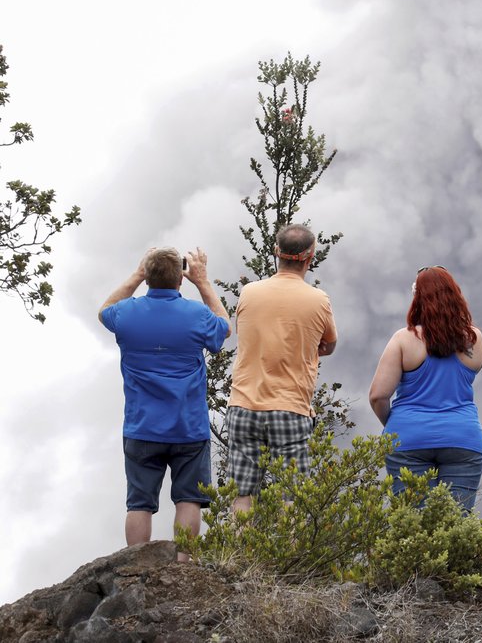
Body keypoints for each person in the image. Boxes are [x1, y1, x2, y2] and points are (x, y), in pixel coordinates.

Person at [99, 247, 231, 560]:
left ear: (147, 277)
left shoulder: (127, 314)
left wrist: (136, 274)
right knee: (189, 499)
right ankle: (183, 568)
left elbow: (105, 309)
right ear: (179, 281)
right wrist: (203, 283)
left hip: (142, 426)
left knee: (139, 503)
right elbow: (223, 328)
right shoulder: (196, 316)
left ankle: (136, 569)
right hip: (189, 427)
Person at [228, 223, 338, 512]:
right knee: (292, 497)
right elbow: (329, 344)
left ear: (277, 252)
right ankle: (289, 558)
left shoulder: (249, 292)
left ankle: (239, 557)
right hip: (290, 407)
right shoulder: (318, 300)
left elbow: (244, 333)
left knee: (242, 494)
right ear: (310, 257)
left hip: (243, 404)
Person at [368, 265, 482, 510]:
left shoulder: (403, 339)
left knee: (413, 526)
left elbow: (378, 395)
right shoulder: (475, 339)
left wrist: (395, 425)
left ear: (417, 299)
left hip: (408, 438)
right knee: (456, 525)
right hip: (462, 438)